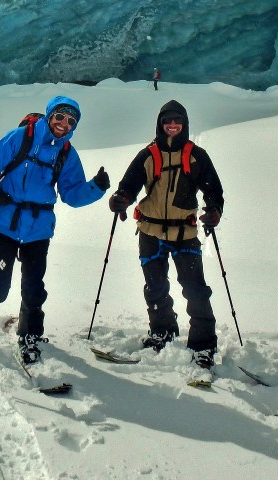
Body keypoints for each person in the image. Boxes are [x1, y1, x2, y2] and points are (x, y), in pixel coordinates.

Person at [0, 96, 109, 367]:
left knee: (34, 288)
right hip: (5, 224)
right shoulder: (20, 137)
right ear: (50, 115)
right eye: (60, 116)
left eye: (71, 121)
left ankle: (30, 336)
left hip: (38, 229)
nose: (64, 123)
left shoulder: (67, 153)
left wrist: (95, 187)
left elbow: (71, 194)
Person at [107, 100, 224, 369]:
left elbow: (213, 192)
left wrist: (214, 210)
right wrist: (120, 199)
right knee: (156, 288)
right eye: (167, 121)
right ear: (160, 124)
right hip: (151, 231)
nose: (172, 125)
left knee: (195, 290)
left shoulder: (197, 156)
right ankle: (163, 332)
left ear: (184, 124)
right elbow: (129, 186)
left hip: (185, 232)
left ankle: (203, 344)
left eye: (177, 121)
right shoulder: (147, 155)